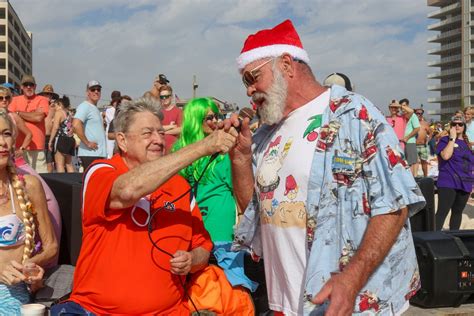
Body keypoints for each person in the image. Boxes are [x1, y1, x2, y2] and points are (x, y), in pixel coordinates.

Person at [229, 20, 425, 315]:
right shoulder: (264, 134)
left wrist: (350, 280)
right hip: (287, 302)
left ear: (286, 64)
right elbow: (255, 214)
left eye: (252, 77)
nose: (249, 90)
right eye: (245, 82)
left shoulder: (355, 114)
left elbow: (394, 206)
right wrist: (241, 159)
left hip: (351, 301)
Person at [50, 97, 237, 315]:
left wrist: (191, 260)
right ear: (122, 140)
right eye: (147, 133)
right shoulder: (100, 171)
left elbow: (203, 247)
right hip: (96, 311)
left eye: (161, 133)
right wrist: (203, 146)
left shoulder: (180, 187)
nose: (158, 140)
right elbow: (127, 191)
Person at [0, 109, 58, 315]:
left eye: (6, 134)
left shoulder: (29, 185)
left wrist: (30, 266)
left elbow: (51, 246)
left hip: (12, 294)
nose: (2, 142)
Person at [173, 97, 236, 242]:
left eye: (216, 116)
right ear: (195, 120)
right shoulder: (180, 152)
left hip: (219, 227)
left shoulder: (224, 152)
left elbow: (239, 190)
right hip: (190, 222)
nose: (215, 121)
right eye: (209, 118)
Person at [435, 115, 474, 230]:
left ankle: (454, 238)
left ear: (464, 127)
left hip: (465, 182)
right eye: (454, 124)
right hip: (448, 180)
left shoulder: (468, 144)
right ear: (450, 126)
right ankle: (433, 238)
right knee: (442, 211)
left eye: (460, 124)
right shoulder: (444, 140)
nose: (457, 126)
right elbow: (446, 156)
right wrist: (452, 138)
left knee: (457, 213)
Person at [8, 75, 49, 173]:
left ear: (35, 86)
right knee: (20, 179)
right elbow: (11, 116)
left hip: (37, 147)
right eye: (26, 85)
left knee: (40, 178)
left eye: (31, 85)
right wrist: (33, 113)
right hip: (19, 147)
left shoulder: (42, 99)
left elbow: (38, 117)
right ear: (21, 87)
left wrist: (18, 113)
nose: (29, 87)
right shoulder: (14, 100)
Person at [72, 80, 107, 170]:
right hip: (90, 154)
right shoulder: (85, 106)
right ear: (87, 92)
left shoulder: (94, 108)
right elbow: (76, 124)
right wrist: (87, 143)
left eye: (98, 89)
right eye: (93, 89)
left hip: (97, 154)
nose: (96, 91)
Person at [48, 96, 75, 173]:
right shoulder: (69, 113)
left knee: (59, 164)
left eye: (55, 105)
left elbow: (55, 127)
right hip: (70, 139)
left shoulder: (59, 112)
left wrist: (50, 141)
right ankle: (72, 183)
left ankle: (62, 184)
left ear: (59, 104)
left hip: (61, 139)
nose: (55, 108)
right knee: (69, 164)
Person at [39, 84, 60, 173]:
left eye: (50, 94)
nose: (48, 96)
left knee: (50, 161)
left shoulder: (55, 108)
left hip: (52, 138)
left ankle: (49, 182)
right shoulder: (39, 106)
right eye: (46, 94)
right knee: (40, 161)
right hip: (41, 137)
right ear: (43, 95)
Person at [399, 98, 420, 176]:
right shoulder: (402, 116)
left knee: (411, 162)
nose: (403, 108)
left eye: (404, 106)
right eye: (401, 107)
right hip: (402, 143)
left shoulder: (413, 116)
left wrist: (407, 137)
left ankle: (413, 180)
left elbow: (417, 128)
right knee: (404, 162)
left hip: (410, 142)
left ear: (408, 106)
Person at [159, 85, 182, 153]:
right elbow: (155, 129)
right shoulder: (157, 112)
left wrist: (164, 132)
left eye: (166, 96)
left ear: (171, 97)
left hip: (174, 150)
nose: (164, 98)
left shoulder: (178, 111)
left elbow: (180, 129)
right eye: (162, 97)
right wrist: (171, 127)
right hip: (160, 151)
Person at [414, 108, 432, 177]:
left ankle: (425, 177)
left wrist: (428, 140)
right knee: (414, 163)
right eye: (417, 113)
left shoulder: (425, 124)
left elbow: (430, 133)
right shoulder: (411, 122)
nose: (419, 115)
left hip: (423, 145)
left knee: (424, 162)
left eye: (421, 113)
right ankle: (414, 177)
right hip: (414, 145)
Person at [105, 90, 121, 158]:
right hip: (111, 133)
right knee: (112, 154)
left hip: (113, 134)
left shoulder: (109, 110)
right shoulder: (110, 110)